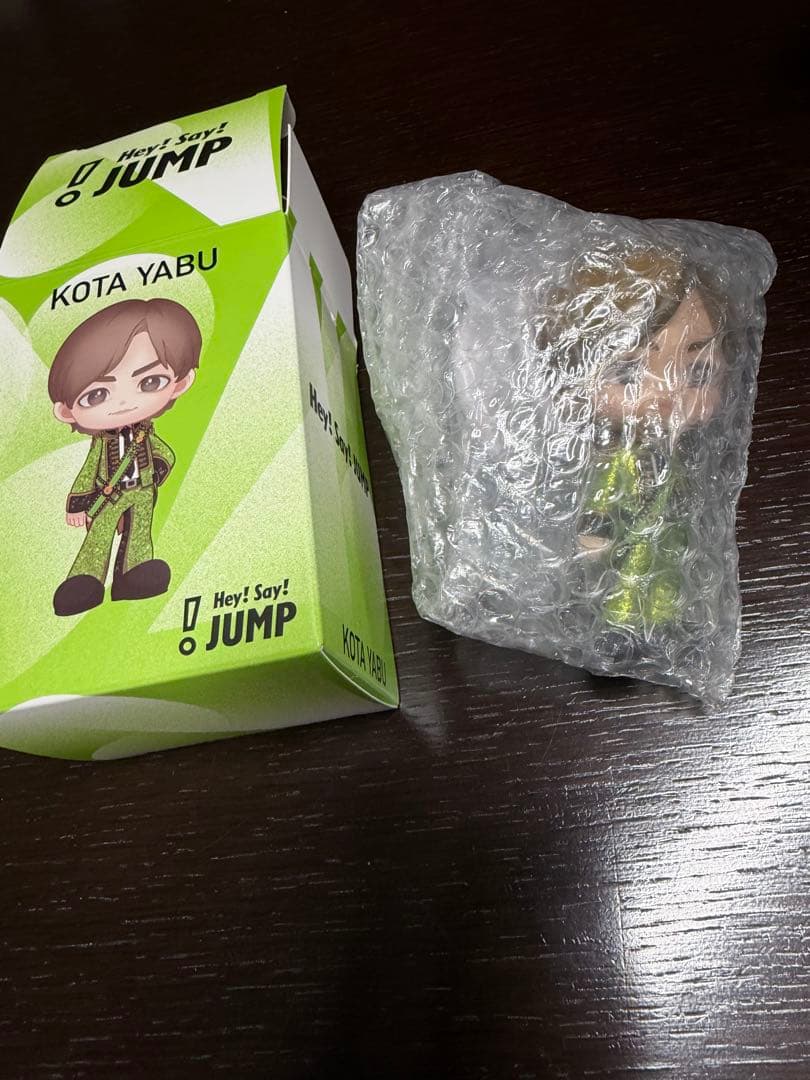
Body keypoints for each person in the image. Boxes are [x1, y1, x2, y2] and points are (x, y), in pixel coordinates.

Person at [48, 297, 201, 616]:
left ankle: (136, 573)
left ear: (180, 383)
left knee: (140, 532)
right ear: (66, 411)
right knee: (99, 535)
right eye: (96, 395)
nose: (124, 404)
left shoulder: (146, 432)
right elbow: (89, 468)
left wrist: (157, 471)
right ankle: (85, 581)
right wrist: (78, 503)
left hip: (142, 491)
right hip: (110, 492)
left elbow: (163, 452)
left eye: (150, 382)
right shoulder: (102, 442)